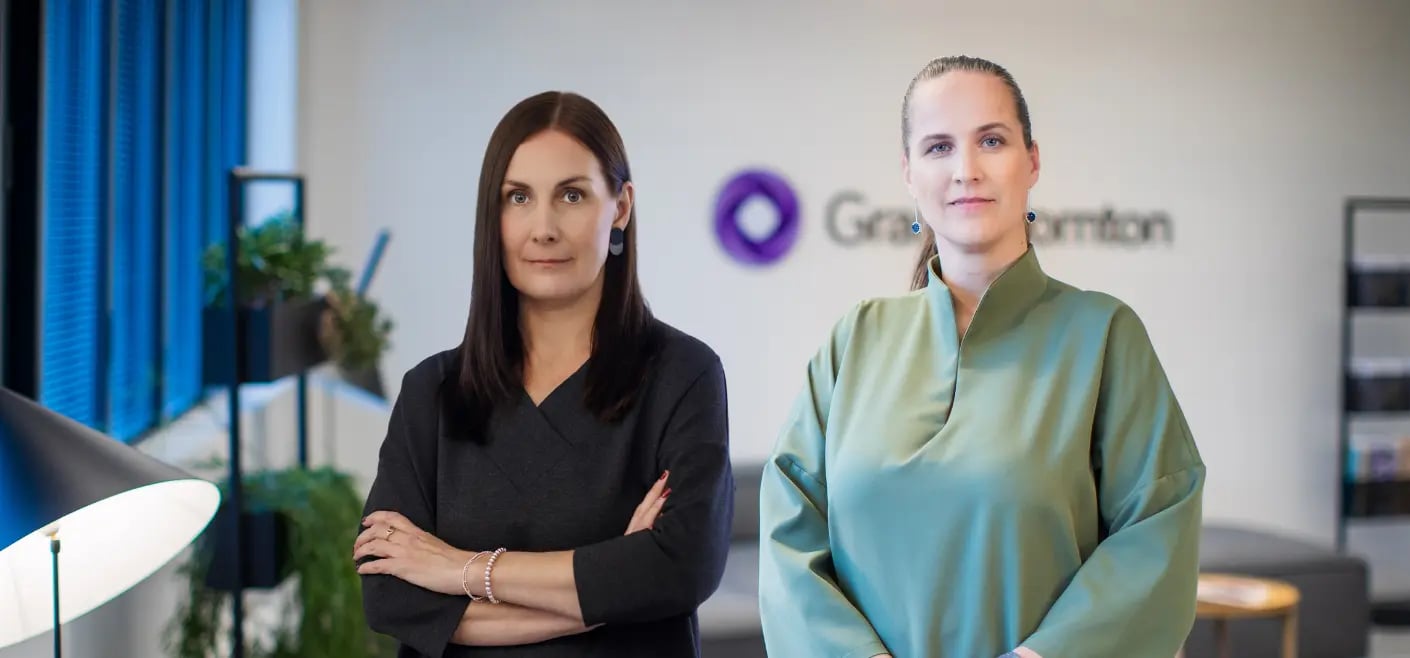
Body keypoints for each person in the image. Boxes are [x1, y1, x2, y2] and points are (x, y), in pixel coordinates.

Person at [757, 55, 1206, 658]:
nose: (966, 170)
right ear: (909, 173)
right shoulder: (856, 339)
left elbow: (1159, 529)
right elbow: (789, 535)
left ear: (1032, 161)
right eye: (939, 147)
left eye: (991, 140)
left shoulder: (1104, 336)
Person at [353, 91, 735, 657]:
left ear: (620, 207)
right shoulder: (431, 392)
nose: (544, 228)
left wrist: (458, 569)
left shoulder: (683, 375)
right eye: (519, 197)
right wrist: (604, 594)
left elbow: (679, 569)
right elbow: (389, 595)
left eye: (572, 195)